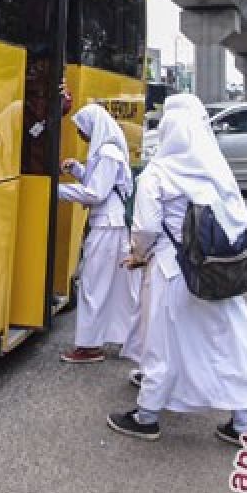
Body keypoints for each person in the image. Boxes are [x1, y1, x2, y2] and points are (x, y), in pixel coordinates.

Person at [108, 95, 247, 445]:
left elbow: (146, 229)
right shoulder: (218, 172)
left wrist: (138, 254)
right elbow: (239, 221)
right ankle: (243, 423)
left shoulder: (159, 172)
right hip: (217, 273)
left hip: (172, 271)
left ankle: (147, 415)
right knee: (227, 341)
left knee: (163, 344)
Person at [55, 104, 140, 364]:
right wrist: (78, 171)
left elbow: (96, 193)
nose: (80, 134)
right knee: (120, 287)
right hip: (112, 225)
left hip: (106, 226)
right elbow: (101, 183)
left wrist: (56, 190)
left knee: (93, 283)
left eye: (81, 128)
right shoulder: (107, 151)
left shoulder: (107, 153)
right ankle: (133, 339)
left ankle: (89, 346)